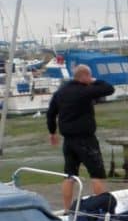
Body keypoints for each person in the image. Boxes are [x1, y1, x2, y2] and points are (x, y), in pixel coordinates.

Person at [46, 64, 115, 211]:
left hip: (68, 141)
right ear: (84, 76)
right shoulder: (85, 90)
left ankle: (66, 209)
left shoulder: (60, 92)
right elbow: (109, 88)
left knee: (69, 175)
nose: (91, 79)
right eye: (89, 76)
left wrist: (52, 132)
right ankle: (102, 210)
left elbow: (51, 113)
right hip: (85, 139)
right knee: (97, 174)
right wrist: (95, 81)